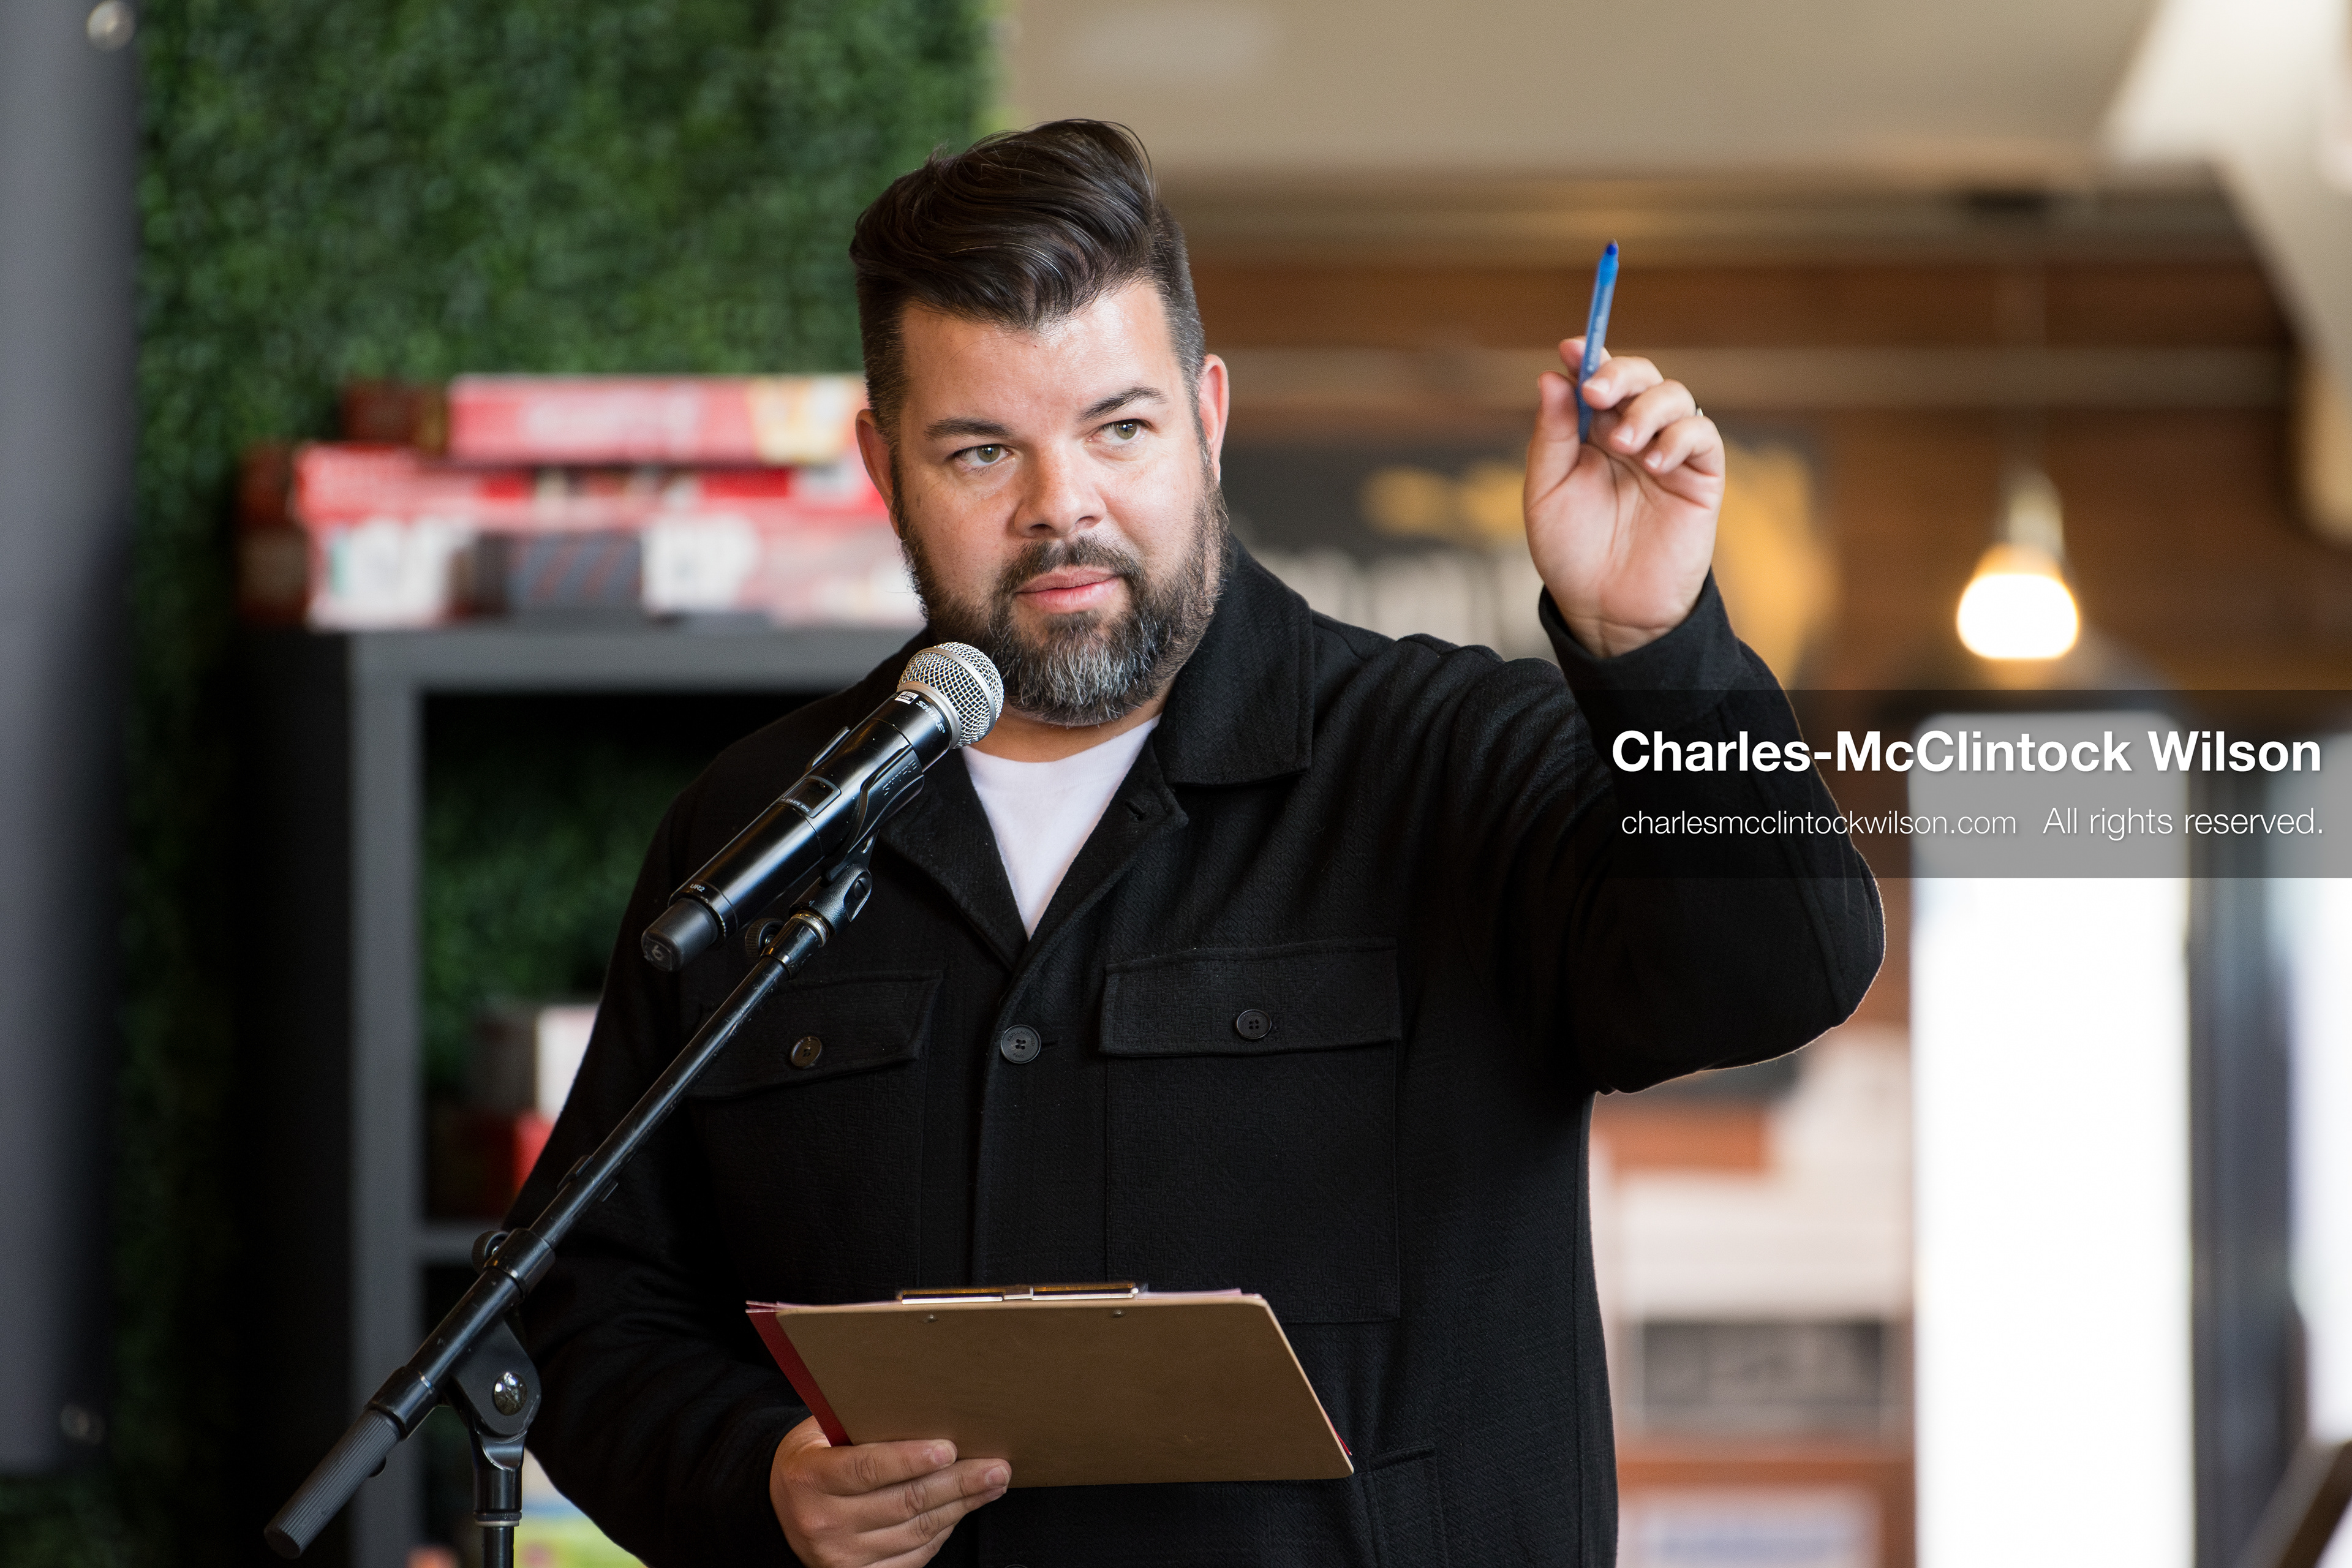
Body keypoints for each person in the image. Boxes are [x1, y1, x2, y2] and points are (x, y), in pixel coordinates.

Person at [516, 119, 1882, 1567]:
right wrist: (761, 1471)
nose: (1064, 509)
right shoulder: (759, 824)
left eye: (1120, 427)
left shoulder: (1448, 757)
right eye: (984, 450)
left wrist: (1655, 649)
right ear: (885, 464)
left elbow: (1783, 968)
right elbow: (588, 1300)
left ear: (1208, 416)